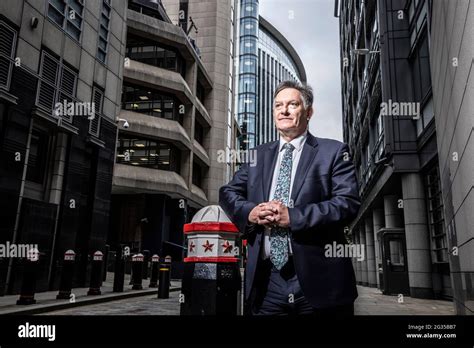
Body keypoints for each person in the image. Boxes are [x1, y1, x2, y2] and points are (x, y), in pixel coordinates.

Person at [219, 81, 360, 316]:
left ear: (308, 112)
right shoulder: (256, 155)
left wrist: (293, 217)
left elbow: (347, 204)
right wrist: (250, 212)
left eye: (292, 104)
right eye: (278, 105)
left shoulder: (334, 152)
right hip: (266, 282)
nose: (283, 110)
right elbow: (228, 192)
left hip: (320, 280)